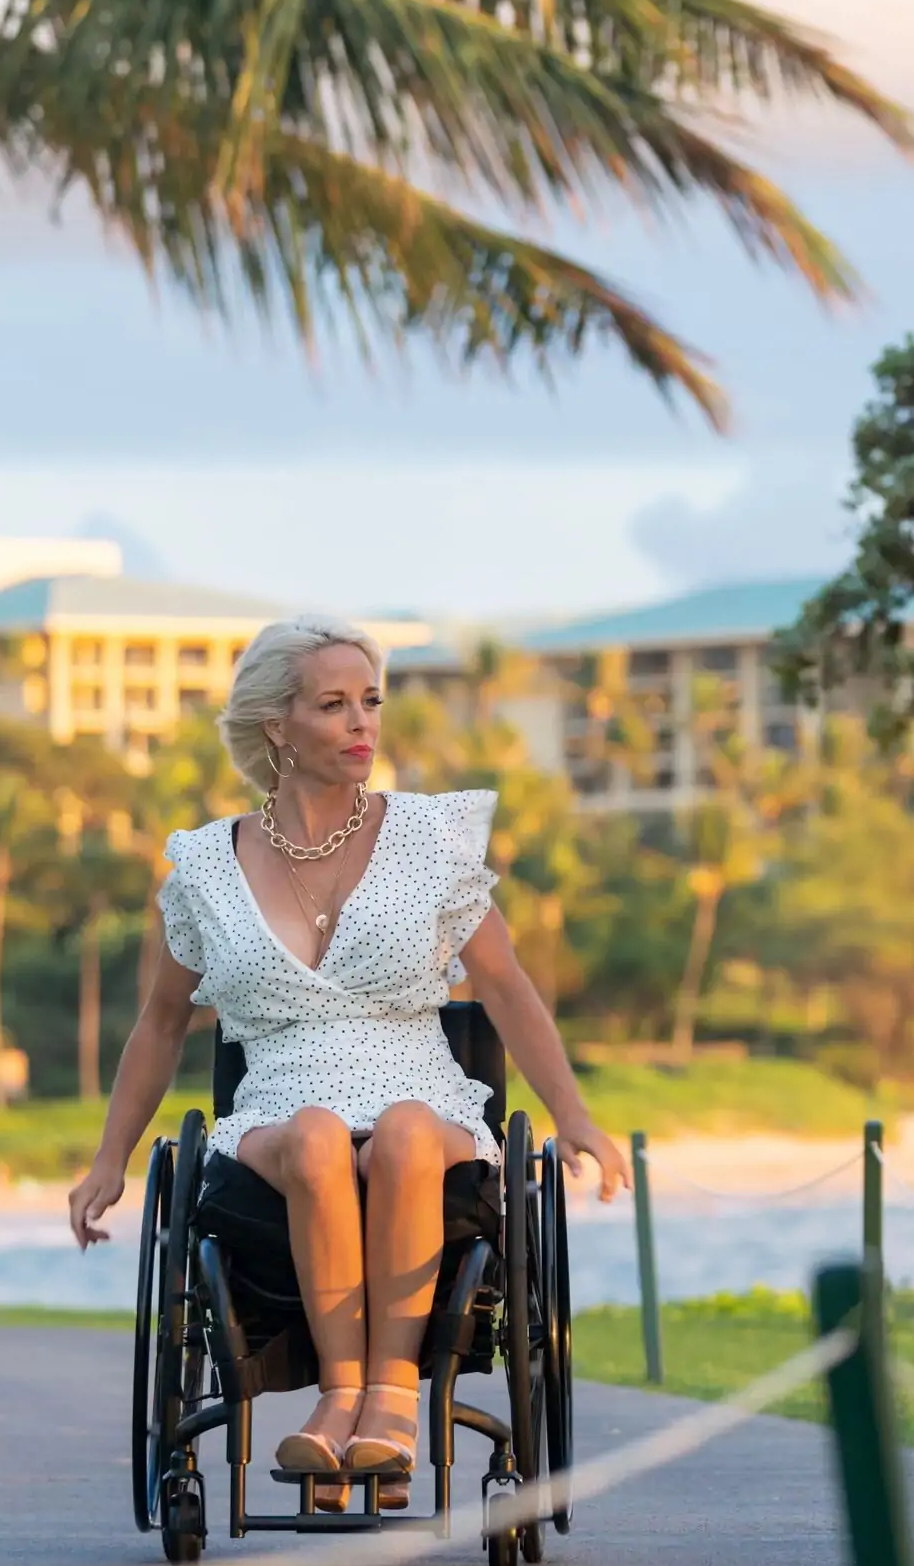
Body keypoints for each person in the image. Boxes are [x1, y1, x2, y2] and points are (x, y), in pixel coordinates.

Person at [68, 613, 625, 1500]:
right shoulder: (208, 867)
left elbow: (508, 986)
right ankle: (339, 1401)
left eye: (370, 701)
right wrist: (109, 1160)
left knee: (403, 1133)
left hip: (420, 1089)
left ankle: (391, 1403)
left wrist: (578, 1118)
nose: (362, 723)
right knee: (320, 1135)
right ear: (275, 725)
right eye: (333, 705)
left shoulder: (427, 840)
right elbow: (162, 1023)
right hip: (276, 1104)